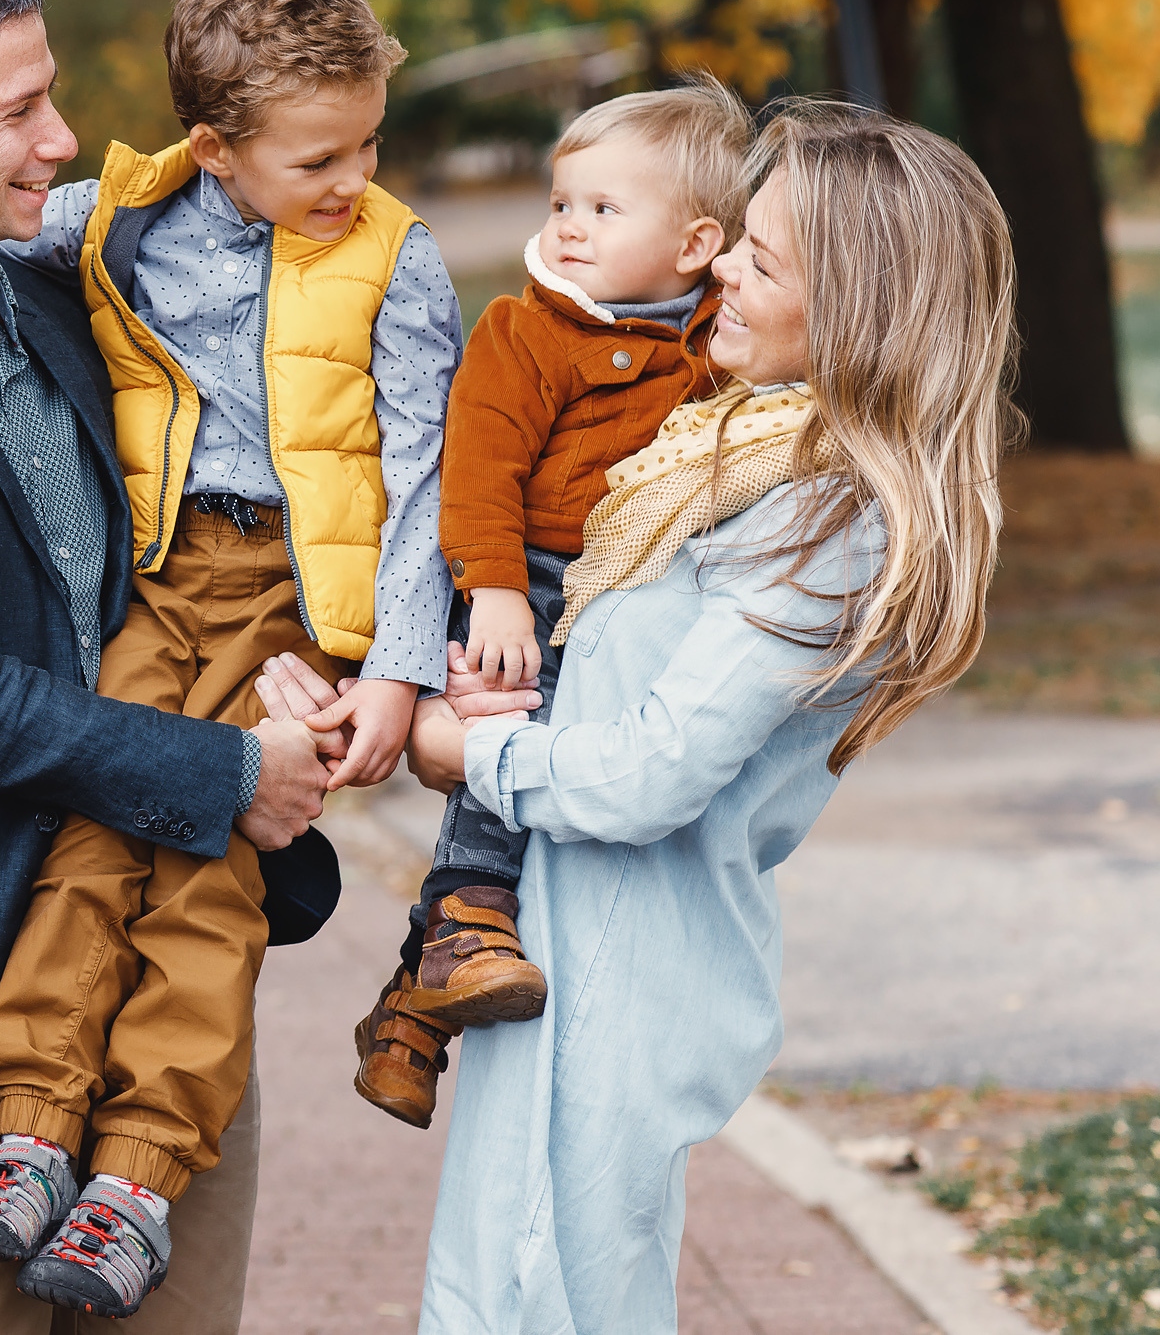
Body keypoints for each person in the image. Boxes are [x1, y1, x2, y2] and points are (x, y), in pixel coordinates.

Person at [0, 0, 458, 1317]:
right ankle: (38, 1130)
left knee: (206, 897)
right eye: (21, 109)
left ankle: (137, 1160)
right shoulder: (65, 248)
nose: (64, 138)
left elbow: (422, 461)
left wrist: (393, 663)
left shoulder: (76, 268)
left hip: (273, 649)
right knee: (109, 843)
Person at [261, 101, 1017, 1331]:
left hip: (620, 972)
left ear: (855, 311)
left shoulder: (824, 514)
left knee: (539, 1300)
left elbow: (648, 774)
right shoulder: (710, 447)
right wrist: (395, 700)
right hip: (554, 937)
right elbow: (577, 675)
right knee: (497, 1295)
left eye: (759, 259)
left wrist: (456, 749)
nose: (721, 269)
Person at [352, 77, 753, 1129]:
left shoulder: (719, 345)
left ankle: (410, 1013)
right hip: (524, 579)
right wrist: (491, 594)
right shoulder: (524, 331)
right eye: (561, 202)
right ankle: (468, 921)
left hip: (629, 586)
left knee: (565, 775)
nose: (568, 226)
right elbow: (476, 471)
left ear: (696, 244)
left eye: (603, 209)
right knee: (509, 733)